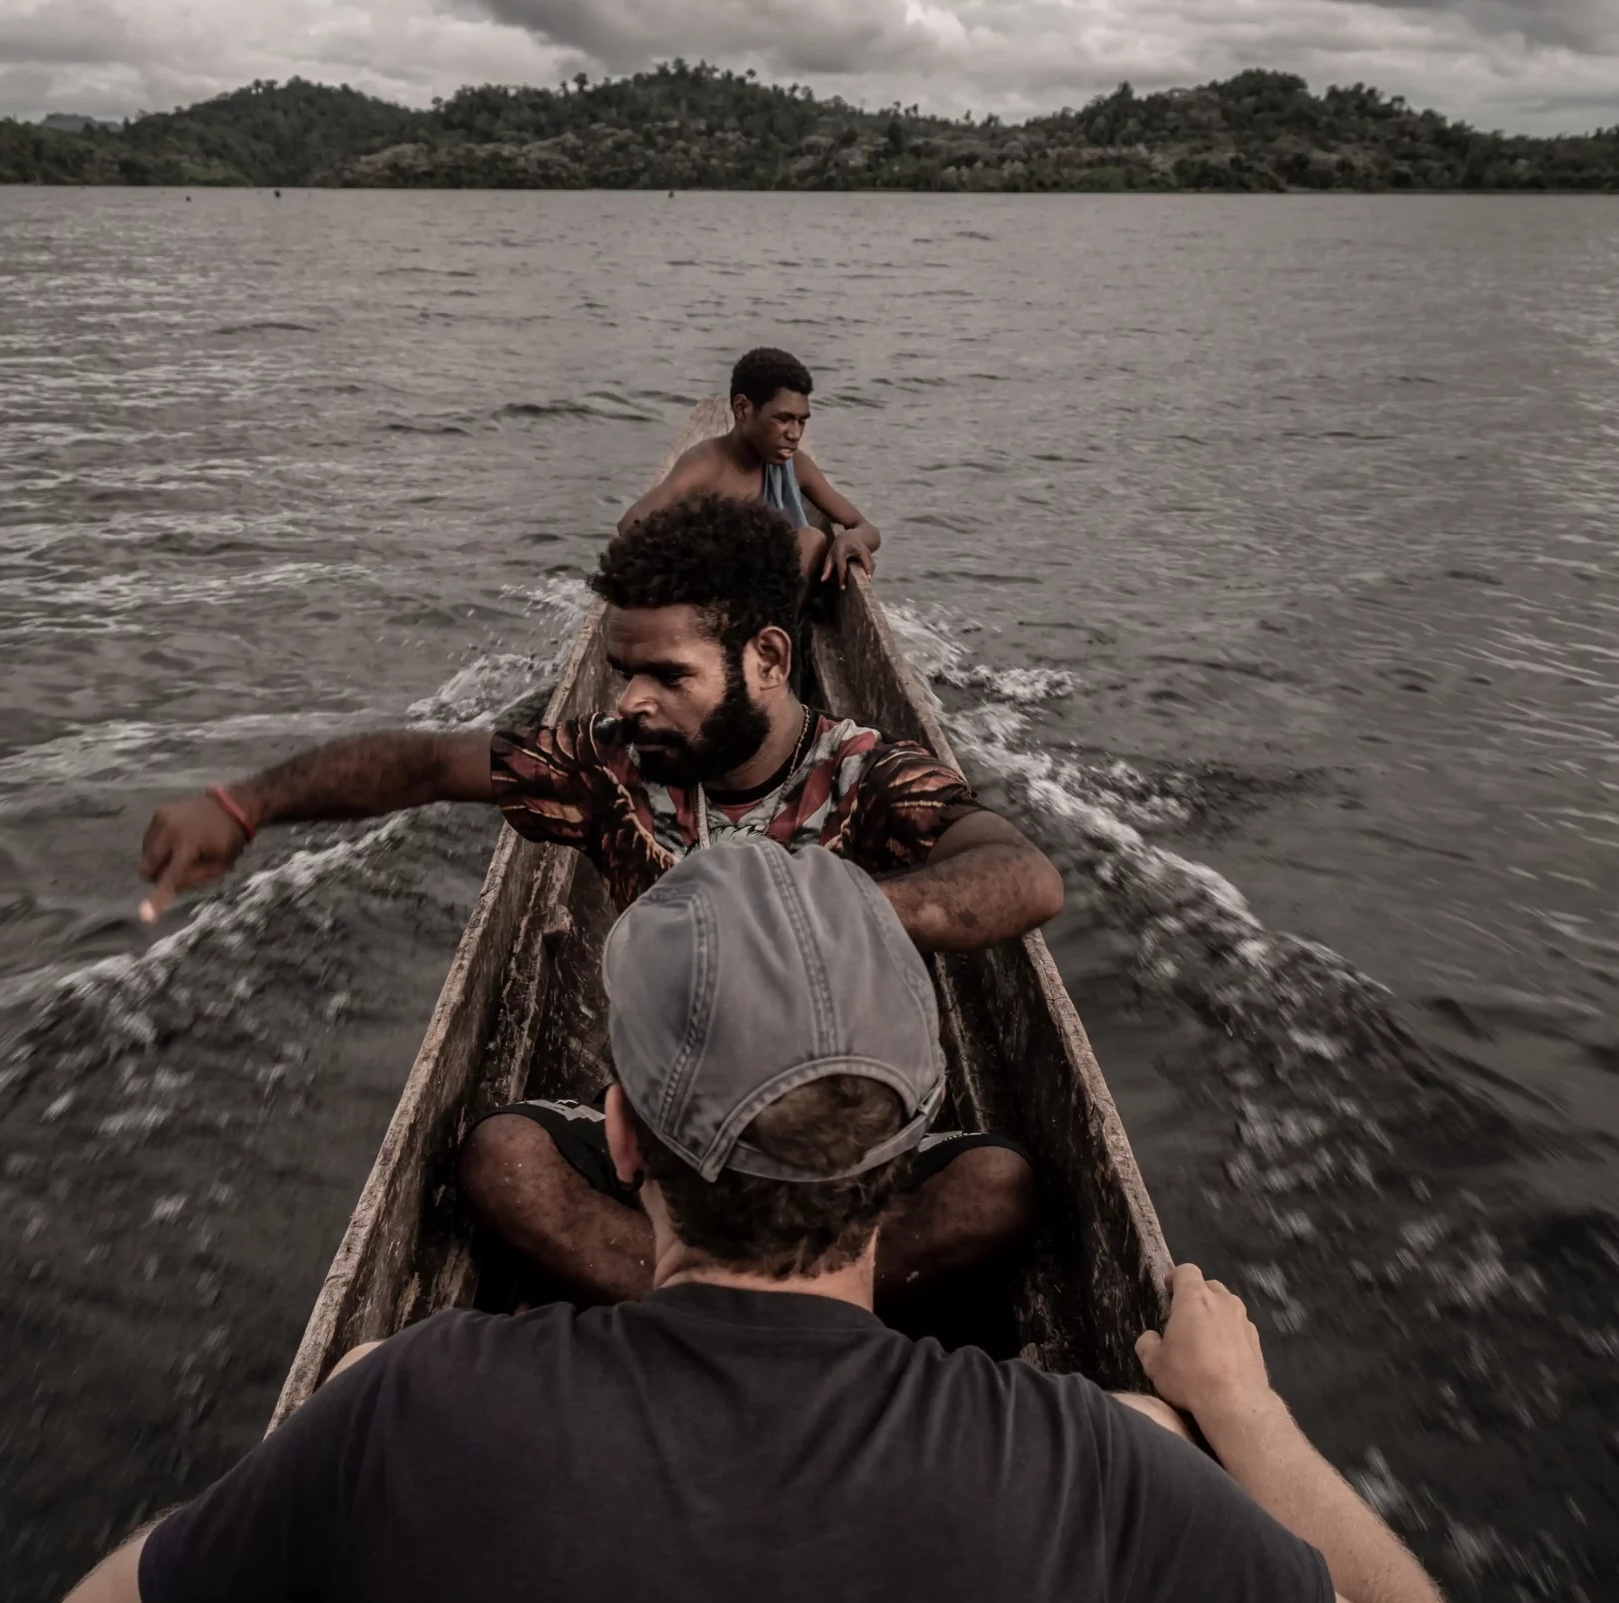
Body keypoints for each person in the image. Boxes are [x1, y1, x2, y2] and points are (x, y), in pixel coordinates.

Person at [36, 844, 1495, 1603]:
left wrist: (341, 1434)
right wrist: (1244, 1416)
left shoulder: (411, 1413)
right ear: (918, 1145)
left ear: (620, 1133)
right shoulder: (1100, 1474)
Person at [133, 494, 1059, 1303]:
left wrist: (816, 919)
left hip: (836, 1146)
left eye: (669, 675)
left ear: (770, 657)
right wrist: (245, 805)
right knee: (505, 1162)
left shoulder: (864, 774)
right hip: (668, 1142)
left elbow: (1023, 876)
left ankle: (735, 1309)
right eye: (624, 670)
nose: (631, 701)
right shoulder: (608, 766)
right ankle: (748, 1309)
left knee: (996, 1186)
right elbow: (426, 766)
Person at [621, 346, 882, 590]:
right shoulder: (706, 465)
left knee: (810, 539)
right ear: (742, 408)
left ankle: (772, 621)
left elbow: (865, 527)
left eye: (801, 421)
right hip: (711, 594)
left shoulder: (795, 466)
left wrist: (852, 538)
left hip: (771, 601)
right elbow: (631, 523)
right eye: (783, 419)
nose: (794, 434)